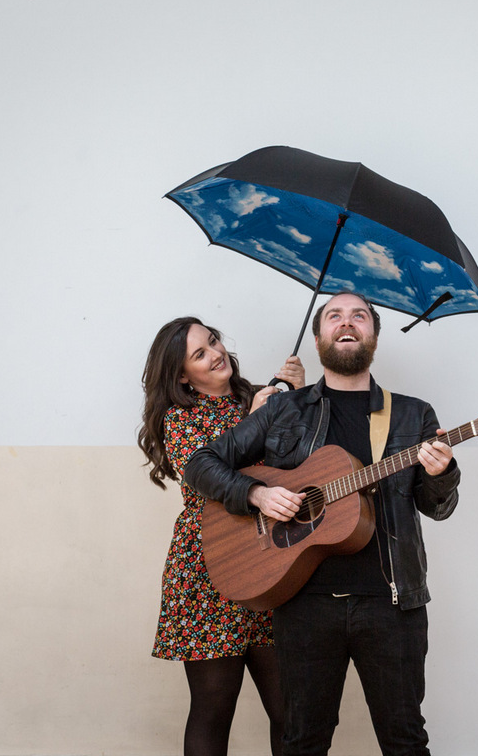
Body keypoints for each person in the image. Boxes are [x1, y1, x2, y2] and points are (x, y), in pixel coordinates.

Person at [183, 293, 460, 756]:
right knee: (302, 744)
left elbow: (438, 507)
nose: (347, 323)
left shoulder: (413, 414)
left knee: (405, 741)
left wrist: (442, 473)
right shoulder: (283, 410)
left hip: (392, 604)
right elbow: (200, 464)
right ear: (317, 339)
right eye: (334, 316)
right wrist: (257, 494)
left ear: (373, 336)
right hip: (304, 604)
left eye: (359, 316)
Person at [138, 317, 305, 756]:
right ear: (182, 376)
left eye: (212, 341)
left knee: (291, 710)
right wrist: (254, 421)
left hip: (271, 564)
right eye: (200, 354)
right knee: (213, 707)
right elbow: (208, 475)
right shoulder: (180, 419)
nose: (215, 354)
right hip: (208, 569)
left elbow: (298, 465)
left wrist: (298, 395)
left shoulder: (261, 397)